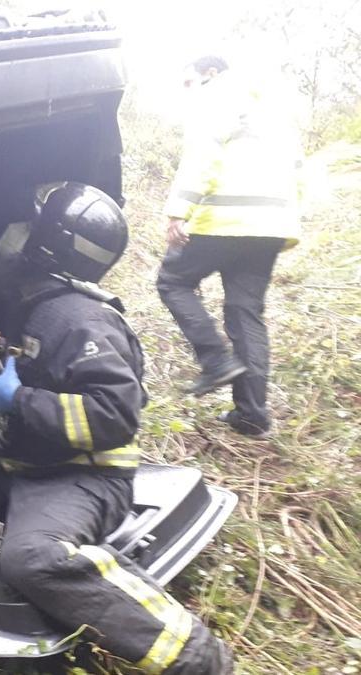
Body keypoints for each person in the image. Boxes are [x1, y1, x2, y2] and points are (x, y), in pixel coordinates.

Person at [0, 183, 233, 674]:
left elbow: (114, 415)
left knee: (30, 558)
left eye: (30, 220)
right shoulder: (19, 286)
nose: (16, 228)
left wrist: (18, 399)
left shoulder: (80, 321)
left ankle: (197, 657)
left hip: (80, 481)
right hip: (22, 470)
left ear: (44, 243)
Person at [156, 55, 301, 436]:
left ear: (210, 74)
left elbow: (203, 154)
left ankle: (216, 360)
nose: (188, 91)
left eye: (189, 82)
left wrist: (178, 210)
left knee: (173, 281)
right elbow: (295, 165)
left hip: (226, 217)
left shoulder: (217, 96)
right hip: (271, 223)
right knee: (245, 311)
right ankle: (252, 415)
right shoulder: (270, 110)